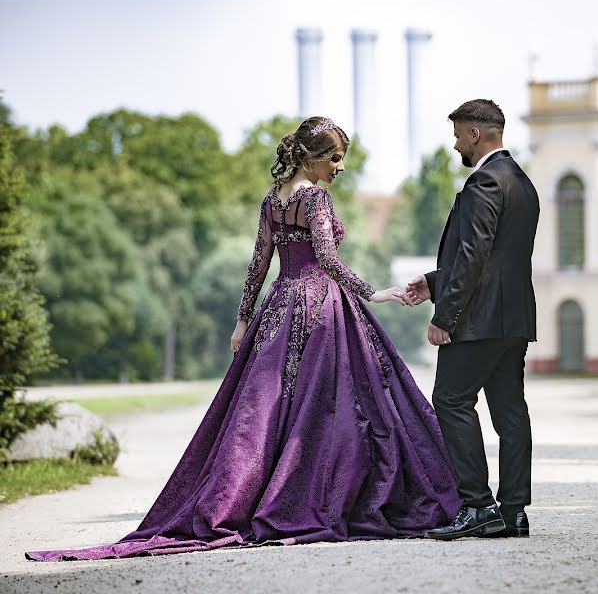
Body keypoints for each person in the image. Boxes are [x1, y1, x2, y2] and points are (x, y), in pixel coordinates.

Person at [26, 116, 461, 562]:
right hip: (322, 310)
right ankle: (309, 494)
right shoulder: (316, 199)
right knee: (334, 405)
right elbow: (328, 260)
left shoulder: (271, 202)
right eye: (334, 157)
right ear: (310, 158)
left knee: (268, 409)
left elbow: (258, 267)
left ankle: (255, 495)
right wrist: (376, 294)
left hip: (278, 309)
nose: (340, 166)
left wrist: (242, 322)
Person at [406, 100, 540, 540]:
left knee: (450, 400)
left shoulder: (483, 180)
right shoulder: (522, 183)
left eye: (460, 134)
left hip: (478, 320)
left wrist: (446, 315)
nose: (457, 143)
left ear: (477, 134)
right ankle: (514, 512)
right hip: (513, 320)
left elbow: (474, 254)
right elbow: (499, 258)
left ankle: (479, 505)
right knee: (509, 411)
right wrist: (432, 281)